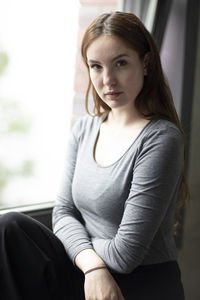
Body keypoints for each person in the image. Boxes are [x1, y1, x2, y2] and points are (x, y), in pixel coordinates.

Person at [0, 11, 187, 300]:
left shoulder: (161, 139)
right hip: (88, 272)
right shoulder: (85, 129)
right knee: (10, 227)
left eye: (120, 63)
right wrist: (92, 267)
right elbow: (62, 213)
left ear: (146, 63)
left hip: (140, 283)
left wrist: (78, 245)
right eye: (96, 67)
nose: (108, 80)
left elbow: (125, 254)